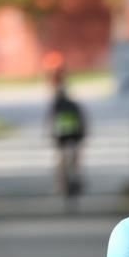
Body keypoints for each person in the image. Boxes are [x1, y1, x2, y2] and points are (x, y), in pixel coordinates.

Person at [45, 67, 86, 198]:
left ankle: (61, 184)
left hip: (62, 135)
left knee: (61, 160)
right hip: (74, 135)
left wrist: (51, 134)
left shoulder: (56, 106)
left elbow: (50, 121)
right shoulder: (73, 105)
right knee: (73, 158)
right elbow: (82, 120)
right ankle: (75, 177)